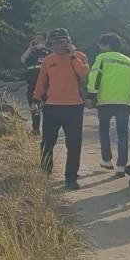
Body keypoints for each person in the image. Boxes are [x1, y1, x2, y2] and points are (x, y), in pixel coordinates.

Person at [34, 28, 89, 190]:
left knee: (73, 144)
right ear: (50, 44)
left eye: (62, 42)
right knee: (47, 143)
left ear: (68, 42)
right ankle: (45, 175)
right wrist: (35, 99)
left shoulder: (79, 56)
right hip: (52, 107)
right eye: (55, 43)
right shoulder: (47, 60)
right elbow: (41, 81)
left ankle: (71, 178)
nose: (58, 46)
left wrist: (72, 56)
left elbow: (84, 73)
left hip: (74, 107)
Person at [87, 33, 130, 176]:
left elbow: (95, 77)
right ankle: (121, 165)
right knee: (123, 134)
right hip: (125, 102)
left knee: (104, 129)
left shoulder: (102, 58)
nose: (99, 47)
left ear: (107, 45)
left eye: (101, 44)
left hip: (106, 101)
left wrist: (91, 96)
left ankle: (106, 159)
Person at [21, 33, 51, 135]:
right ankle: (35, 129)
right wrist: (30, 48)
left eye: (39, 39)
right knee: (34, 107)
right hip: (32, 83)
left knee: (47, 108)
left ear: (44, 40)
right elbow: (22, 59)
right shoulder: (31, 53)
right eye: (35, 39)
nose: (37, 41)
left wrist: (43, 48)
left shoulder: (48, 52)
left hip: (47, 84)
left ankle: (48, 128)